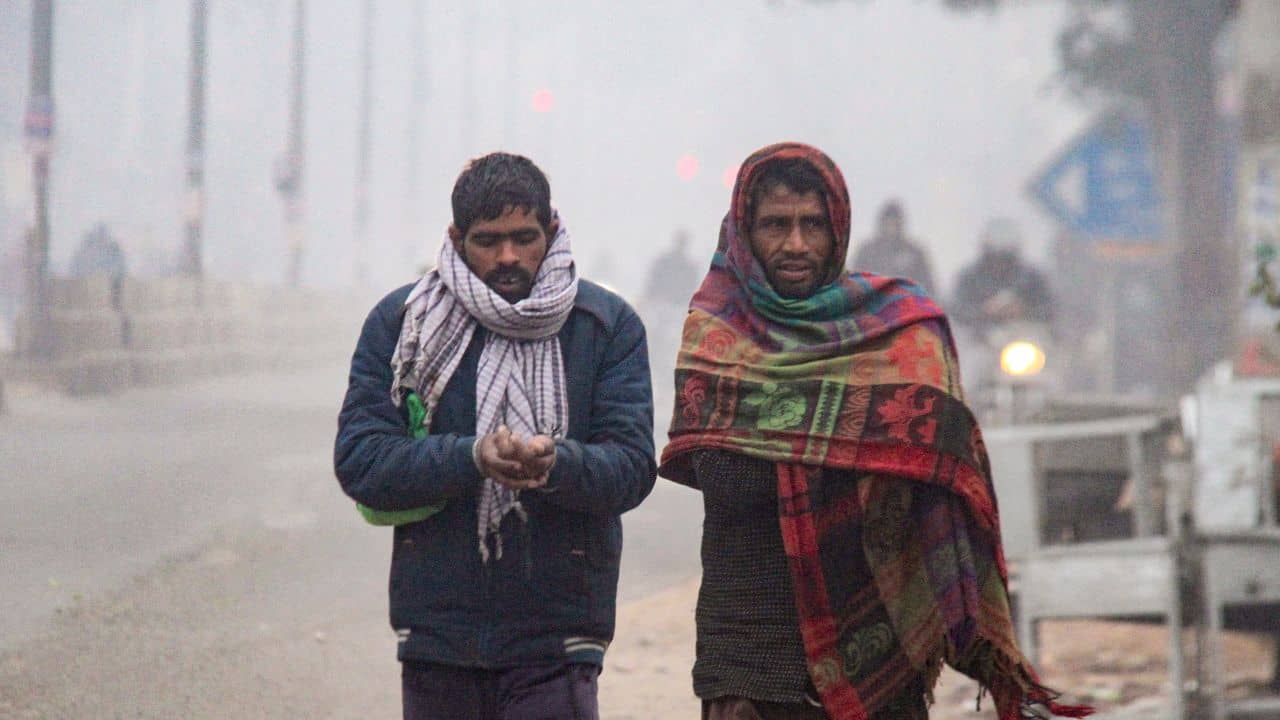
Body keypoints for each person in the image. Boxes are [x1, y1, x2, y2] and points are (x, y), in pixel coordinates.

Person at [658, 142, 1092, 720]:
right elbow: (723, 474)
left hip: (881, 648)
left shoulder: (899, 329)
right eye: (775, 226)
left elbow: (946, 461)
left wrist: (846, 444)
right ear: (743, 233)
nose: (795, 244)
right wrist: (860, 445)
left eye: (812, 224)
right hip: (752, 658)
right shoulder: (715, 328)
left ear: (838, 228)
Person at [334, 152, 657, 720]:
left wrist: (556, 464)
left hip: (559, 633)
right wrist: (470, 458)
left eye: (523, 237)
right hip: (440, 631)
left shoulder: (604, 327)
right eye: (488, 240)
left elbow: (631, 468)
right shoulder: (403, 324)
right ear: (457, 239)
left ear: (551, 231)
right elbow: (361, 461)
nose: (508, 257)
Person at [951, 218, 1053, 337]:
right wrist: (984, 311)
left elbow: (1048, 307)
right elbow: (957, 309)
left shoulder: (1032, 278)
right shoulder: (969, 278)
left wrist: (1024, 310)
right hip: (980, 339)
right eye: (995, 258)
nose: (1000, 264)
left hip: (1026, 337)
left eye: (1006, 258)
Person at [849, 199, 936, 295]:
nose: (891, 227)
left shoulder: (915, 254)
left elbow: (928, 287)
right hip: (873, 305)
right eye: (889, 223)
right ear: (882, 223)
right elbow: (854, 284)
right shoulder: (867, 252)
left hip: (908, 305)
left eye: (895, 223)